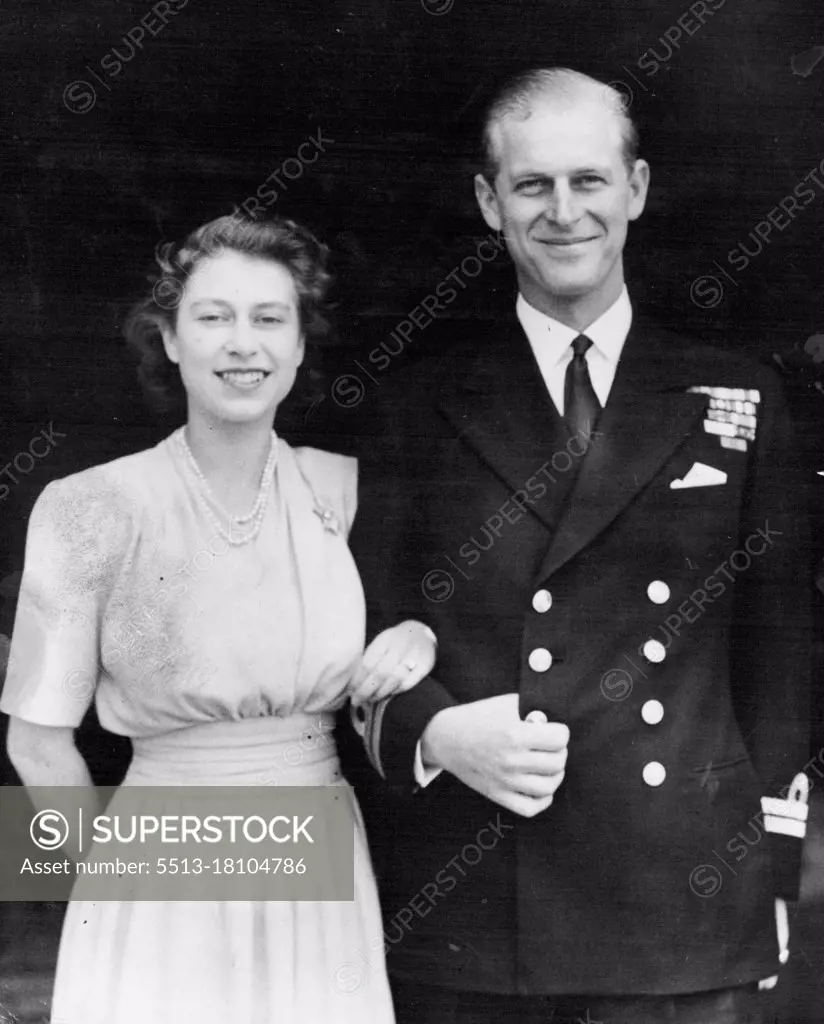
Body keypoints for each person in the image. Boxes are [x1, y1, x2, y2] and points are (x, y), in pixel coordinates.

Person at [349, 68, 812, 1024]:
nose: (564, 213)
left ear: (635, 190)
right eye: (532, 186)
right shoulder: (416, 405)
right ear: (490, 203)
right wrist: (431, 732)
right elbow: (360, 622)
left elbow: (781, 662)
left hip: (680, 901)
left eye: (590, 182)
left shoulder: (741, 396)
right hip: (476, 899)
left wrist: (762, 875)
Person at [1, 214, 438, 1024]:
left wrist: (418, 635)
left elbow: (411, 636)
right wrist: (108, 890)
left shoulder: (345, 492)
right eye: (213, 317)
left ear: (301, 345)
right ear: (169, 339)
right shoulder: (85, 507)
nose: (245, 344)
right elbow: (35, 739)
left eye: (270, 319)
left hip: (319, 858)